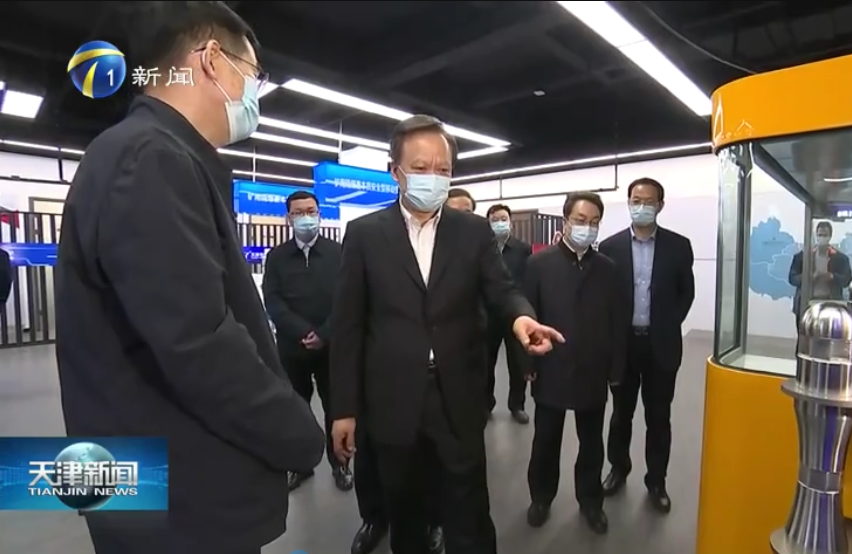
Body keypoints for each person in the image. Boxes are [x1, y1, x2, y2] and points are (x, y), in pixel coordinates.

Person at [53, 3, 325, 553]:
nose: (253, 94)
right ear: (212, 60)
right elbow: (198, 342)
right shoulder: (152, 158)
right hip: (183, 494)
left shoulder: (142, 152)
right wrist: (297, 433)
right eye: (254, 76)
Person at [328, 114, 563, 554]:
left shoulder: (471, 230)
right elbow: (348, 327)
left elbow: (502, 289)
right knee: (406, 516)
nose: (433, 178)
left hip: (457, 395)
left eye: (443, 169)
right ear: (395, 171)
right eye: (420, 168)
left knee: (470, 512)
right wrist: (343, 410)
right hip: (393, 399)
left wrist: (521, 319)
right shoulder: (364, 235)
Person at [523, 192, 625, 534]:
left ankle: (591, 501)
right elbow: (526, 315)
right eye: (580, 220)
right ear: (566, 220)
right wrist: (527, 364)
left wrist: (616, 369)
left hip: (593, 369)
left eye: (594, 222)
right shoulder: (539, 264)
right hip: (550, 365)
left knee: (591, 442)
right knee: (545, 440)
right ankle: (541, 497)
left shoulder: (608, 269)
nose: (587, 227)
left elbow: (616, 322)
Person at [601, 177, 695, 514]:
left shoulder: (678, 246)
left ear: (660, 205)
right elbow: (605, 299)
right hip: (623, 347)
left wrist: (667, 325)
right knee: (620, 415)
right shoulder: (610, 247)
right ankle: (618, 468)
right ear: (628, 203)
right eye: (635, 200)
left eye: (648, 201)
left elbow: (686, 293)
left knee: (659, 417)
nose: (641, 206)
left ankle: (657, 481)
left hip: (661, 348)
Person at [263, 190, 352, 492]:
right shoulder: (277, 257)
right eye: (299, 212)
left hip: (332, 347)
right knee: (295, 409)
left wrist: (325, 333)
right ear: (288, 218)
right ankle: (300, 465)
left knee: (336, 407)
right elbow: (273, 300)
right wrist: (302, 332)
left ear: (319, 214)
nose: (306, 217)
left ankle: (341, 464)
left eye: (311, 211)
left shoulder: (339, 253)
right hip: (292, 348)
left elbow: (348, 298)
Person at [484, 204, 532, 424]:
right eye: (495, 219)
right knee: (486, 362)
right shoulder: (483, 248)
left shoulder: (523, 249)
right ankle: (486, 404)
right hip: (488, 315)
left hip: (514, 316)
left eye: (503, 219)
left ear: (510, 222)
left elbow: (528, 280)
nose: (500, 223)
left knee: (517, 363)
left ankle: (517, 405)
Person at [788, 220, 852, 324]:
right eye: (820, 235)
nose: (822, 238)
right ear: (816, 235)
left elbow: (847, 280)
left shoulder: (840, 258)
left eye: (825, 235)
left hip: (830, 305)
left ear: (830, 236)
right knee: (804, 333)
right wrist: (809, 277)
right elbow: (792, 278)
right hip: (807, 304)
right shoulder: (802, 257)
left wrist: (832, 276)